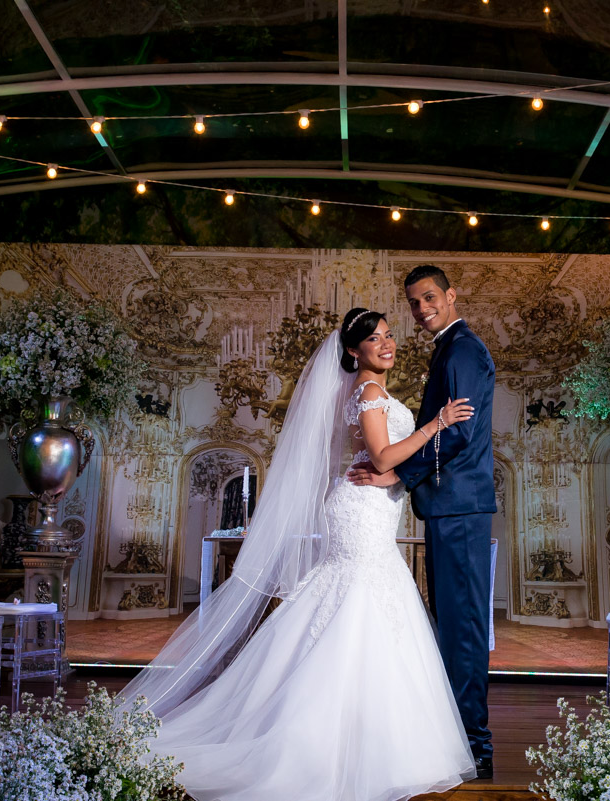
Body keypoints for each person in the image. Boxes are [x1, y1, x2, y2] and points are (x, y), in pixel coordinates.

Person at [123, 309, 477, 801]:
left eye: (390, 335)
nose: (387, 343)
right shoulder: (369, 393)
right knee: (358, 600)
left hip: (369, 507)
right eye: (374, 339)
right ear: (353, 351)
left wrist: (398, 465)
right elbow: (381, 457)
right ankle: (327, 738)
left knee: (361, 602)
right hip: (360, 511)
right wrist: (435, 424)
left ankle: (360, 730)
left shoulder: (362, 393)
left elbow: (373, 459)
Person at [350, 264, 497, 779]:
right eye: (413, 302)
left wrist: (398, 475)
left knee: (462, 629)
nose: (421, 309)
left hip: (459, 506)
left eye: (429, 297)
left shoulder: (462, 350)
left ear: (451, 295)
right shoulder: (451, 350)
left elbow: (460, 433)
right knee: (454, 625)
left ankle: (473, 745)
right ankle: (459, 736)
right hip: (450, 506)